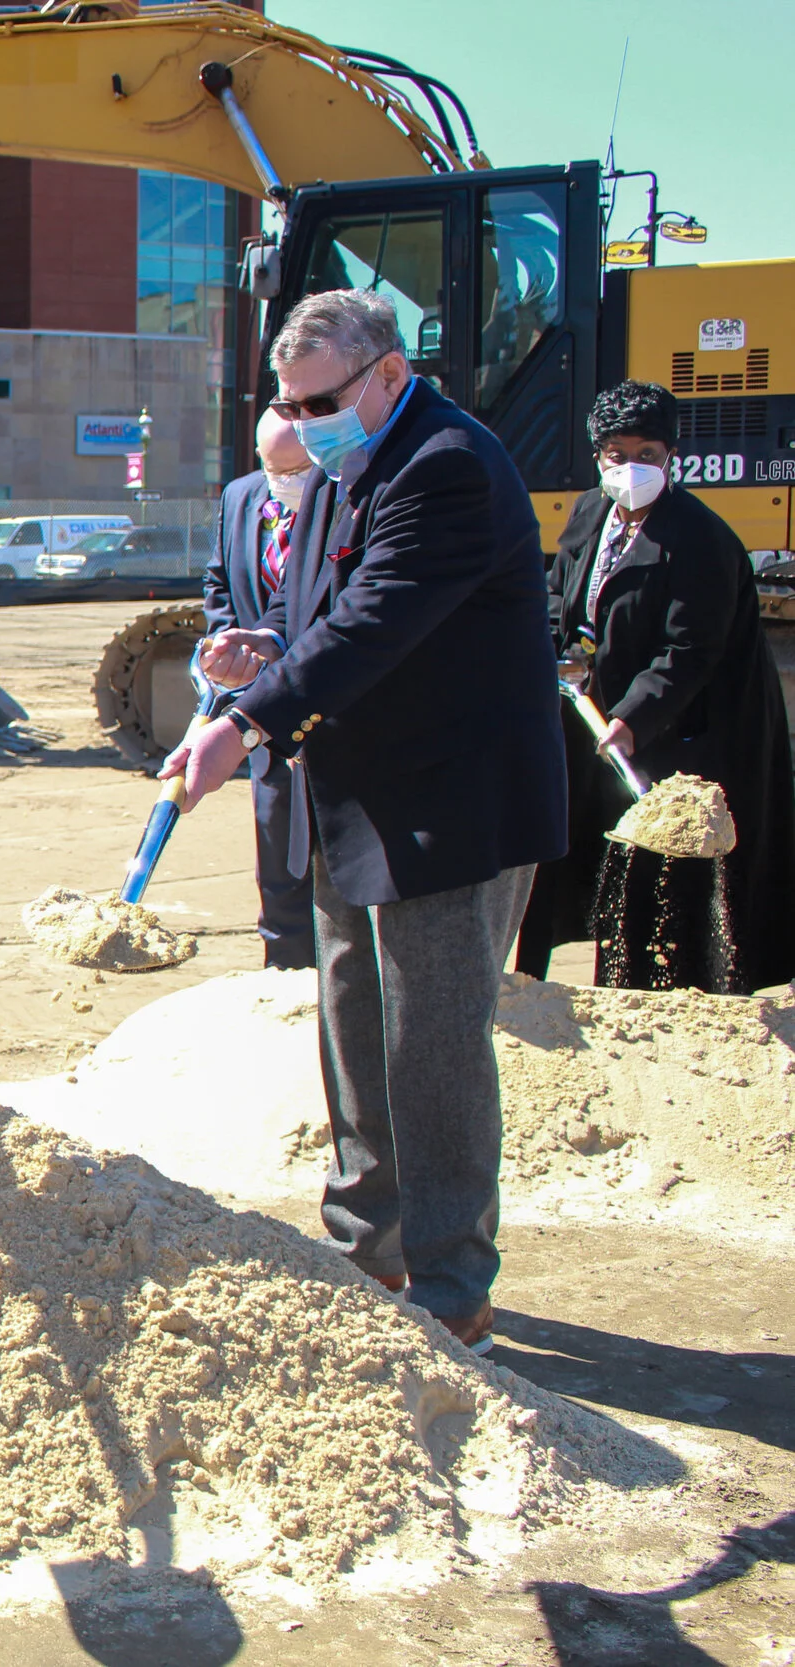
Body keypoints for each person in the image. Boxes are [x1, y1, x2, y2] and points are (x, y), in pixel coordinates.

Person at [168, 289, 567, 1352]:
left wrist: (247, 722)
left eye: (319, 402)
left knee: (430, 1041)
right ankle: (364, 1240)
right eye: (288, 406)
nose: (301, 426)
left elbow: (379, 619)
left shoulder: (446, 464)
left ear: (389, 372)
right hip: (353, 796)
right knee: (351, 1020)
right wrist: (261, 647)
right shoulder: (340, 467)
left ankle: (450, 1281)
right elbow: (318, 617)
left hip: (449, 802)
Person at [516, 381, 795, 991]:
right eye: (617, 454)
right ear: (598, 455)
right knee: (580, 857)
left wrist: (633, 718)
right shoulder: (591, 512)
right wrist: (561, 650)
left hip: (688, 733)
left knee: (665, 881)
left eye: (648, 454)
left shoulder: (699, 538)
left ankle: (666, 996)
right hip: (603, 718)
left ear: (671, 456)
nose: (631, 468)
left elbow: (690, 650)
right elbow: (561, 594)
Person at [200, 407, 320, 970]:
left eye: (295, 473)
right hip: (262, 715)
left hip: (329, 704)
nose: (282, 484)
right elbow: (220, 579)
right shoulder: (240, 496)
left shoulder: (350, 499)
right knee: (278, 863)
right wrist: (231, 646)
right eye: (272, 470)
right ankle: (284, 975)